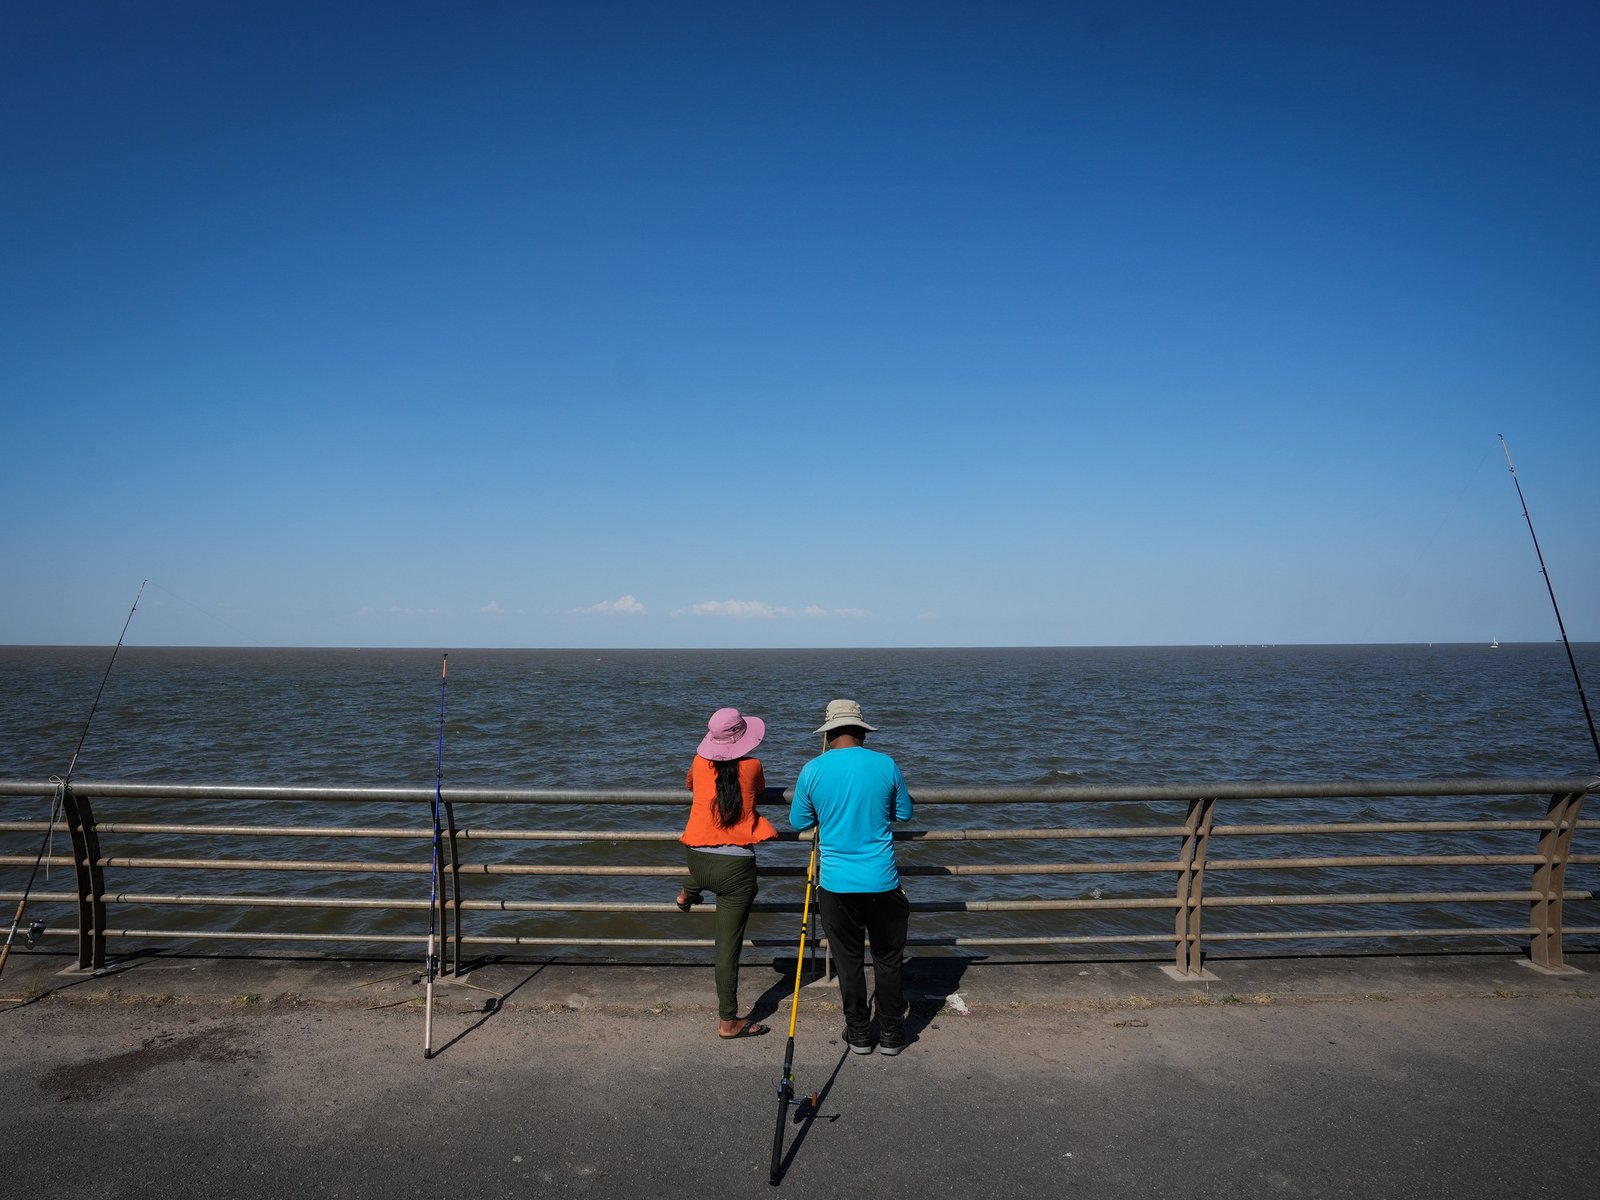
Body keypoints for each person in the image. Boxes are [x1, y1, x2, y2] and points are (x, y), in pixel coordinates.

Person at [789, 698, 914, 1056]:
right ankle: (891, 1033)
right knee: (888, 960)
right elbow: (904, 813)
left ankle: (858, 1033)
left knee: (848, 961)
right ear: (863, 733)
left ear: (827, 735)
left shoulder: (812, 769)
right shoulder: (885, 764)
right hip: (883, 881)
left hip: (836, 884)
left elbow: (799, 821)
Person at [677, 706, 779, 1039]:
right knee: (727, 947)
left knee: (706, 872)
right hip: (735, 870)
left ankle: (688, 892)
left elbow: (690, 785)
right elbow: (758, 790)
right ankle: (728, 1021)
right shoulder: (753, 766)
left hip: (697, 859)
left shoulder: (698, 762)